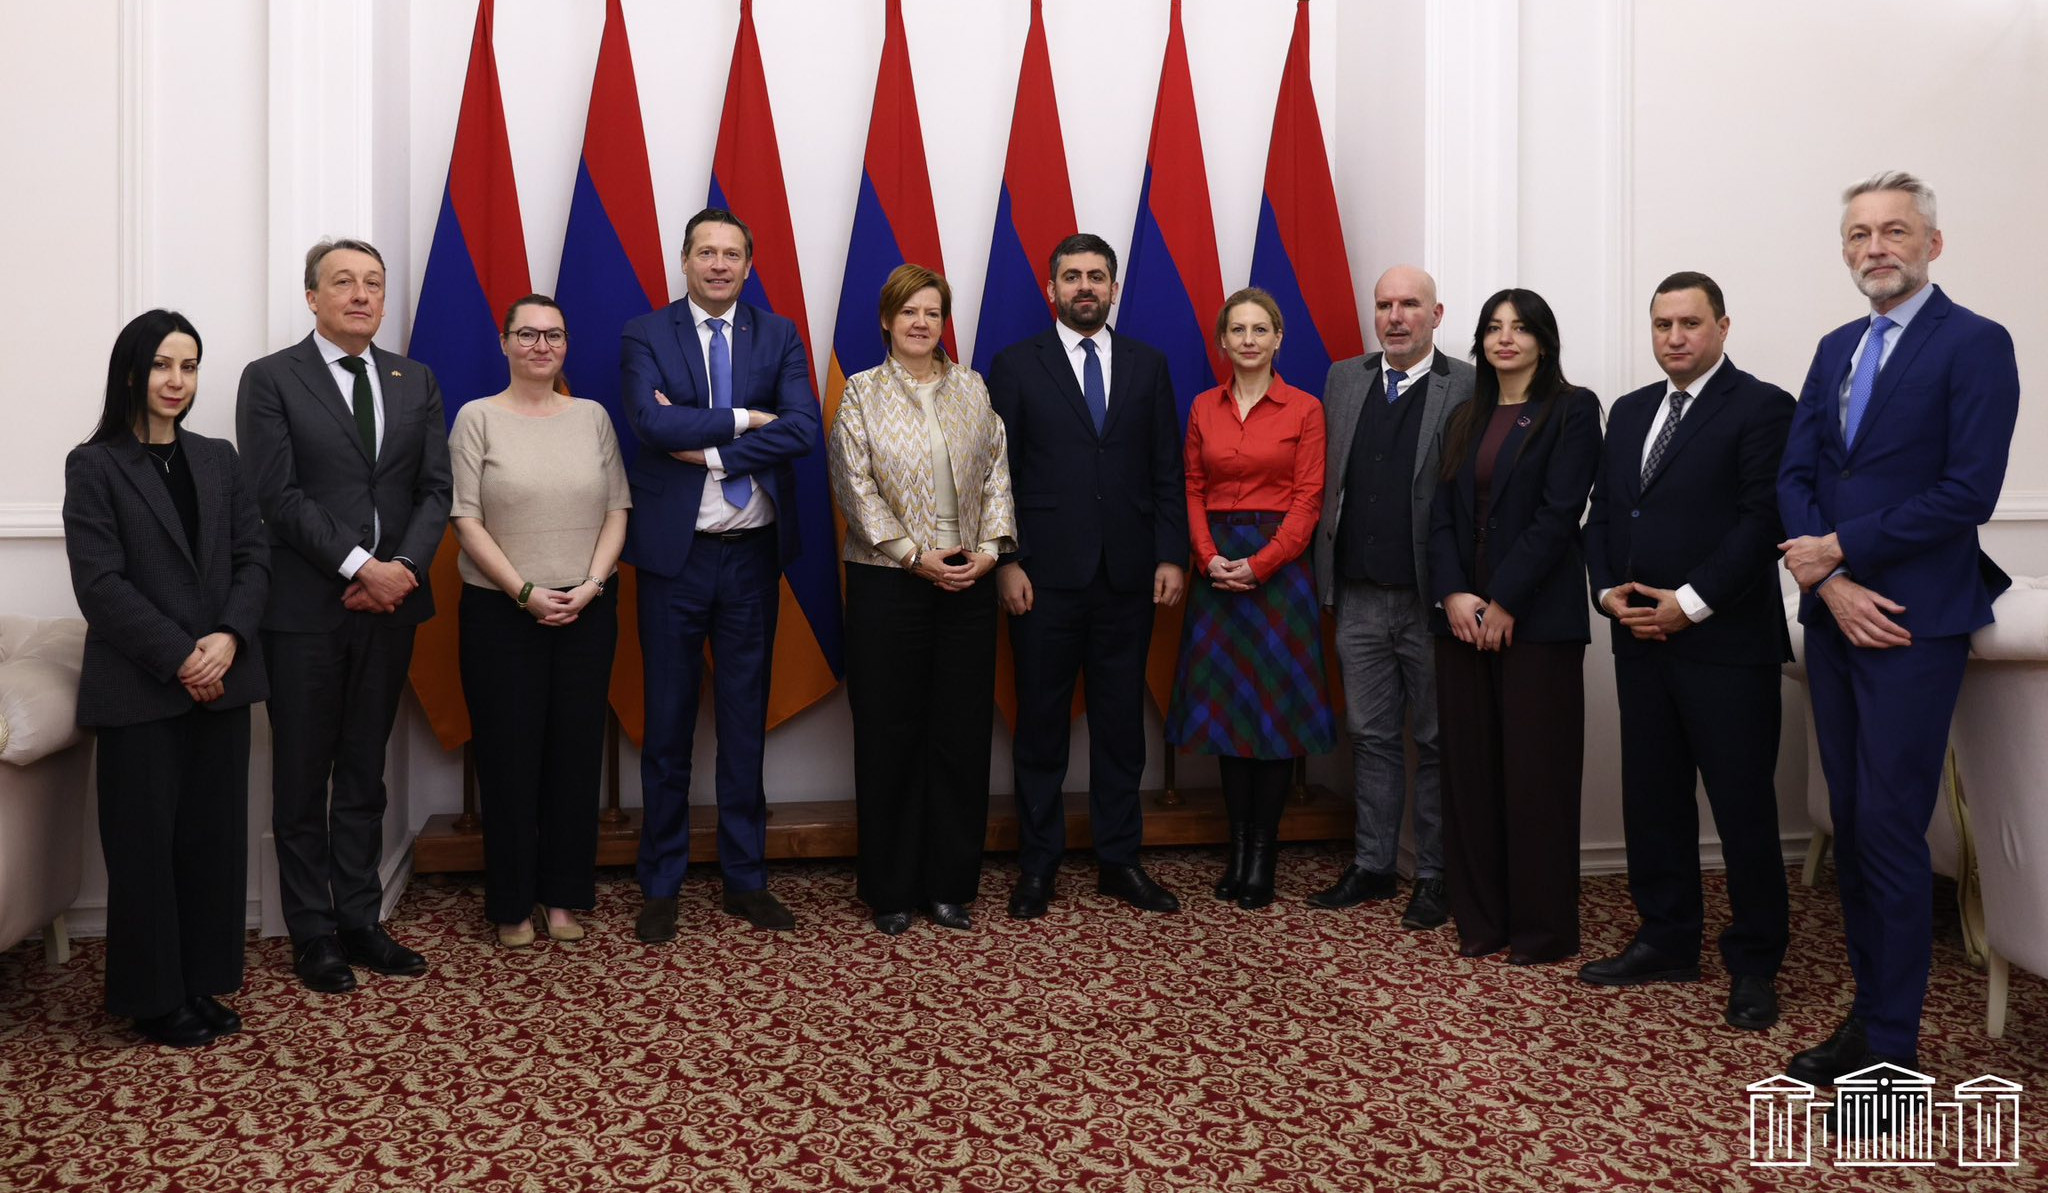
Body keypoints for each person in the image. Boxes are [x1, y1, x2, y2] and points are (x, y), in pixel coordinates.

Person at [1777, 172, 2018, 1087]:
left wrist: (1841, 546)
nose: (1875, 247)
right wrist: (1828, 574)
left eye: (1894, 231)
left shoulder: (1977, 343)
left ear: (1932, 244)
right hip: (1838, 613)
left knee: (1887, 826)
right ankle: (1866, 1020)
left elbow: (1969, 491)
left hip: (1914, 621)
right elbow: (1797, 469)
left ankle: (1891, 1051)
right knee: (1850, 817)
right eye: (1858, 235)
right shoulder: (1837, 344)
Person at [1580, 272, 1794, 1031]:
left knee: (1742, 808)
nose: (1674, 337)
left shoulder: (1763, 407)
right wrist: (1607, 591)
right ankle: (1667, 939)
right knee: (1654, 800)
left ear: (1723, 327)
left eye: (1689, 323)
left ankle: (1756, 961)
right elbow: (1607, 510)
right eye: (1663, 323)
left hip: (1723, 643)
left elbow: (1760, 519)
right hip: (1638, 638)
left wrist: (1689, 604)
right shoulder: (1633, 410)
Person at [237, 239, 452, 993]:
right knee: (302, 773)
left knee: (364, 766)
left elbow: (435, 490)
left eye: (372, 283)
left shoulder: (413, 377)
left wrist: (404, 572)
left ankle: (361, 916)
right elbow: (277, 494)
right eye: (343, 282)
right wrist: (364, 567)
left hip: (392, 606)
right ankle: (313, 931)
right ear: (312, 296)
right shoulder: (270, 379)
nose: (360, 294)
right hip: (305, 608)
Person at [63, 310, 269, 1047]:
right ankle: (152, 998)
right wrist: (182, 655)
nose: (175, 380)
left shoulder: (219, 458)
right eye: (160, 365)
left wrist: (227, 639)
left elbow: (254, 559)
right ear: (130, 372)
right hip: (141, 688)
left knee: (213, 841)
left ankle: (197, 981)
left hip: (225, 678)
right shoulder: (94, 465)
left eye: (187, 366)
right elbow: (101, 584)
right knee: (146, 846)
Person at [619, 207, 820, 939]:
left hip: (751, 557)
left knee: (744, 723)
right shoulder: (646, 333)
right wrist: (744, 421)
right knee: (668, 725)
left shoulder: (780, 333)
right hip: (675, 559)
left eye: (732, 253)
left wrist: (706, 447)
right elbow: (649, 423)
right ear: (685, 260)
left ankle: (746, 878)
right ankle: (661, 883)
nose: (718, 265)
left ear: (748, 263)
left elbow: (803, 427)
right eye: (706, 252)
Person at [987, 232, 1189, 919]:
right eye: (1071, 275)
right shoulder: (1015, 365)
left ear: (1113, 288)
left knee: (1119, 727)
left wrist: (1170, 553)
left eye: (1096, 276)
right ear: (1051, 289)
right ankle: (1038, 865)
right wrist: (1006, 560)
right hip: (1042, 576)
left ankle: (1119, 860)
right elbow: (997, 477)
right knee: (1041, 725)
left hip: (1129, 575)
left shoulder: (1148, 364)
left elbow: (1166, 466)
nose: (1084, 286)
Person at [828, 264, 1017, 935]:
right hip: (889, 582)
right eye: (908, 312)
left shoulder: (972, 388)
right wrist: (912, 557)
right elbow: (854, 487)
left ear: (945, 322)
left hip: (968, 578)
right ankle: (891, 889)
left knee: (959, 735)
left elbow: (997, 472)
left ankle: (948, 885)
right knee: (890, 734)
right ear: (886, 319)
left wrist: (992, 550)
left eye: (932, 313)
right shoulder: (860, 393)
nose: (919, 323)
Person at [449, 295, 629, 948]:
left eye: (553, 333)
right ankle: (512, 903)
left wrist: (591, 584)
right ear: (504, 343)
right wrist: (523, 590)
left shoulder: (592, 416)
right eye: (527, 333)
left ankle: (564, 898)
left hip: (585, 609)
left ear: (566, 344)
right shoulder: (477, 419)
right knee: (508, 758)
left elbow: (617, 508)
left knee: (574, 759)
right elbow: (464, 518)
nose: (540, 344)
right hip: (502, 613)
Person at [1428, 288, 1601, 965]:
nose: (1506, 339)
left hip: (1535, 622)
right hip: (1462, 621)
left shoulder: (1572, 409)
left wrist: (1503, 600)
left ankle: (1541, 930)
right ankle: (1483, 921)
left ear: (1543, 340)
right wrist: (1453, 595)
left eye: (1520, 328)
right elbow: (1440, 516)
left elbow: (1560, 515)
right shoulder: (1464, 417)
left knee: (1535, 777)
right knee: (1470, 776)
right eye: (1494, 328)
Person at [1309, 266, 1474, 927]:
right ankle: (1374, 864)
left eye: (1411, 305)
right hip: (1356, 591)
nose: (1396, 316)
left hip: (1430, 598)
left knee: (1435, 740)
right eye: (1385, 305)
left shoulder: (1464, 383)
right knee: (1371, 736)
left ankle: (1434, 875)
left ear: (1437, 315)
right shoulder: (1343, 378)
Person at [1166, 288, 1334, 910]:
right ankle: (1237, 848)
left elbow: (1309, 500)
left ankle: (1263, 854)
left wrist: (1260, 565)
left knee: (1272, 718)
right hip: (1216, 567)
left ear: (1278, 338)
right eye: (1237, 330)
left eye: (1260, 329)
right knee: (1232, 718)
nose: (1249, 340)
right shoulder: (1202, 408)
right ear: (1222, 342)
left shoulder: (1306, 409)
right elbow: (1191, 485)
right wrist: (1208, 557)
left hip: (1279, 571)